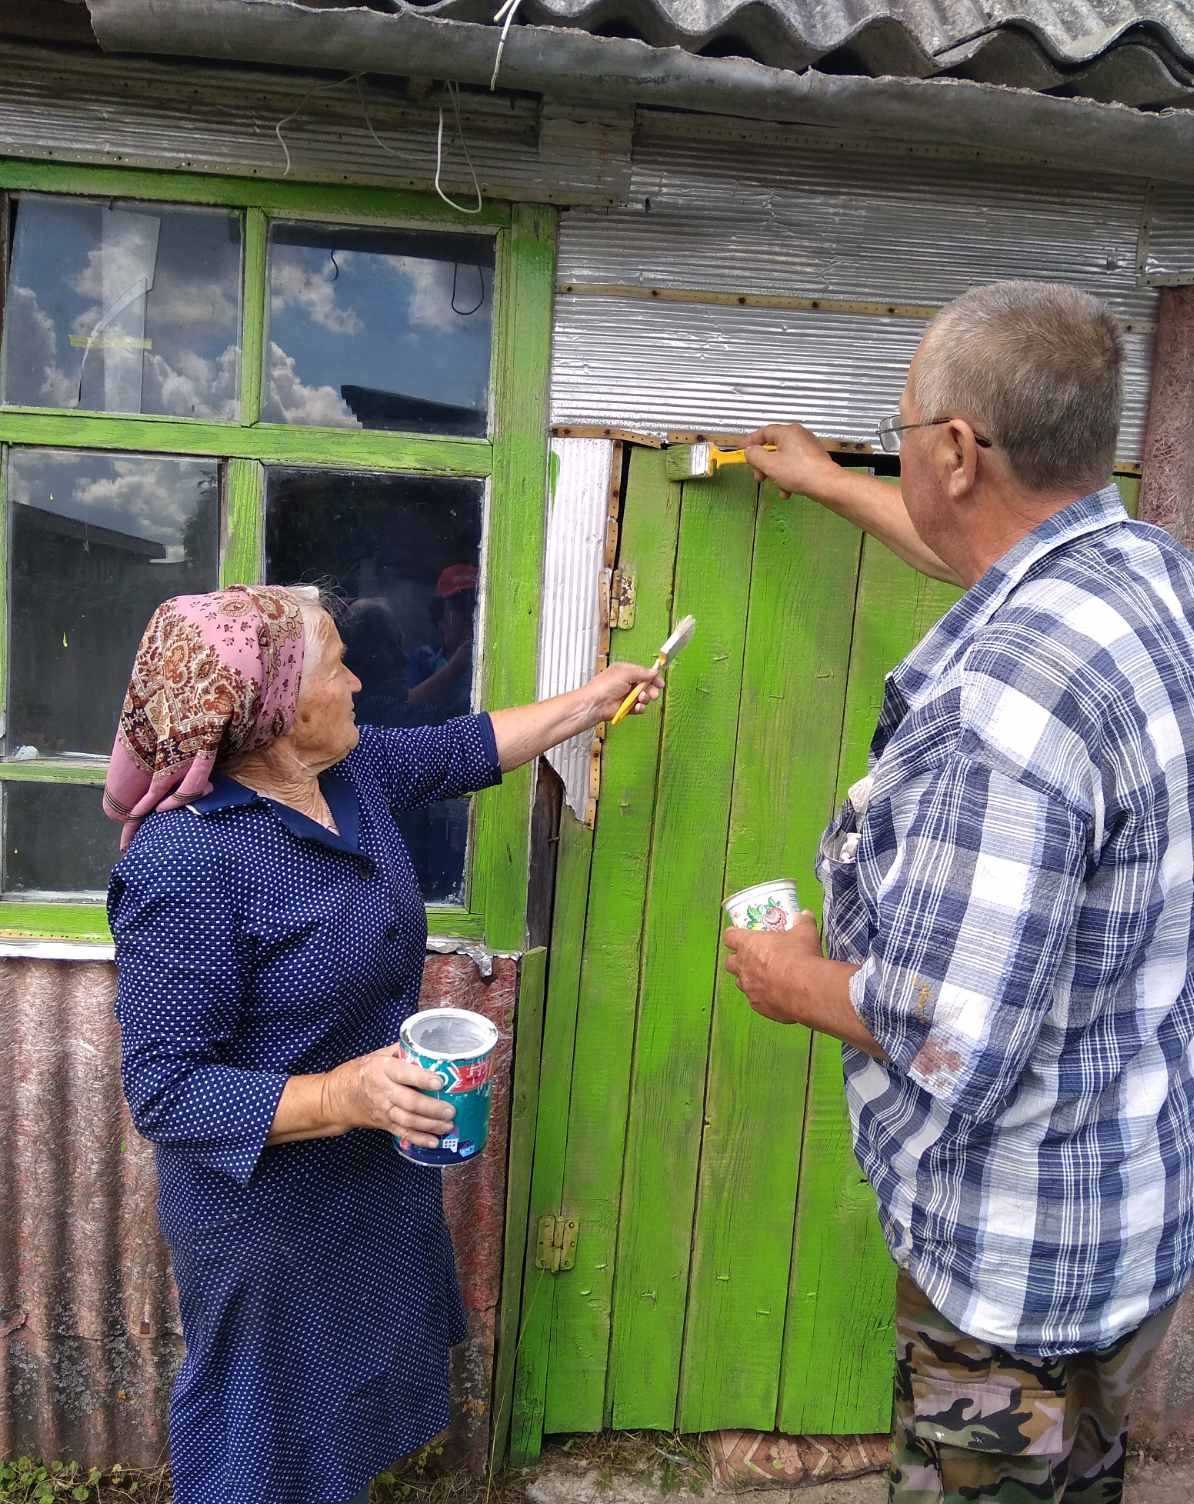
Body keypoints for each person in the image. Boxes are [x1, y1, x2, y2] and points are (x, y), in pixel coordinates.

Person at [724, 281, 1194, 1503]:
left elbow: (954, 1031)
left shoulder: (1008, 710)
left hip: (1014, 1273)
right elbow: (981, 554)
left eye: (901, 424)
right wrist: (829, 481)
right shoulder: (1148, 577)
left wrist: (793, 981)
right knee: (1081, 1473)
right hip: (1131, 1209)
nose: (897, 443)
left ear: (955, 449)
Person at [103, 584, 663, 1504]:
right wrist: (338, 1097)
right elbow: (165, 1093)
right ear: (274, 708)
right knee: (260, 1448)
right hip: (268, 1221)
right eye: (336, 663)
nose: (360, 680)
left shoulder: (343, 778)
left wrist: (591, 701)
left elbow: (464, 749)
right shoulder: (187, 863)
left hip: (370, 1182)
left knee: (339, 1437)